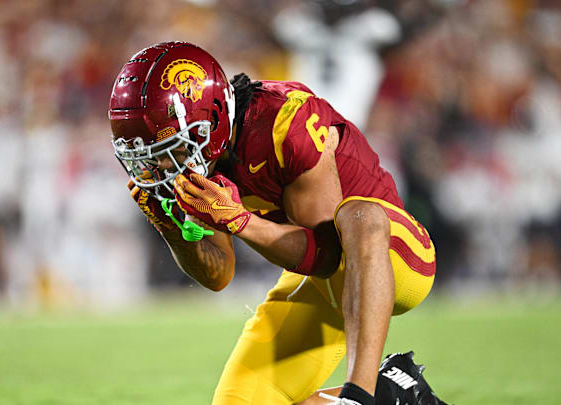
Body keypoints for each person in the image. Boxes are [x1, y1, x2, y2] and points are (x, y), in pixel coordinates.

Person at [109, 42, 446, 405]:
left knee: (359, 216)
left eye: (169, 150)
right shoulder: (199, 151)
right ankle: (394, 392)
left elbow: (331, 254)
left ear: (213, 121)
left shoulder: (285, 122)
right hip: (321, 281)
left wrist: (240, 221)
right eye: (151, 156)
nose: (161, 168)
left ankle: (360, 394)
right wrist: (171, 228)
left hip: (395, 258)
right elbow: (218, 273)